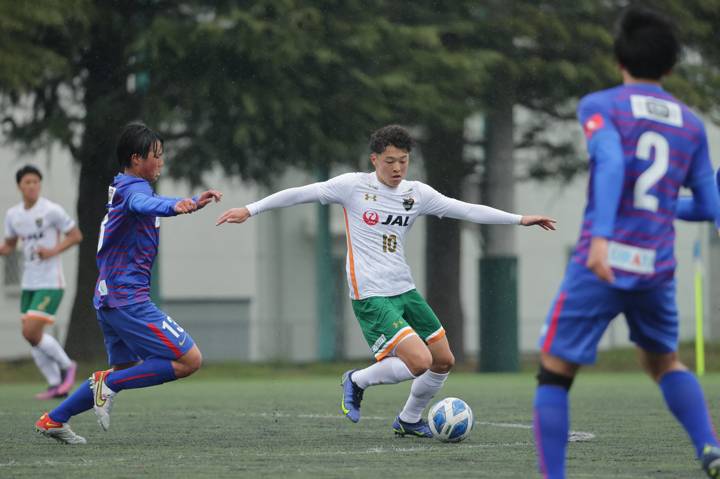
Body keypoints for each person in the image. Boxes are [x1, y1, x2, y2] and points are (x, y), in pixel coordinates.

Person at [217, 124, 556, 437]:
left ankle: (409, 420)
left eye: (403, 161)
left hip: (403, 289)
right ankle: (357, 379)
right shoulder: (352, 186)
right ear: (374, 159)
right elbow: (299, 193)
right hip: (370, 293)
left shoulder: (416, 193)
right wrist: (251, 209)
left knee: (443, 360)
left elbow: (465, 209)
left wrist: (520, 219)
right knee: (419, 361)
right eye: (390, 161)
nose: (397, 168)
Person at [533, 7, 720, 478]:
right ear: (672, 66)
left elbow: (613, 165)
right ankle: (710, 447)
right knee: (664, 361)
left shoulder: (602, 105)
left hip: (602, 261)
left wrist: (601, 240)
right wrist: (662, 208)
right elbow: (707, 203)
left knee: (554, 371)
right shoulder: (691, 125)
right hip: (656, 267)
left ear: (619, 59)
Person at [34, 122, 222, 444]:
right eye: (156, 155)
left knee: (123, 370)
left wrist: (187, 200)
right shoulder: (135, 191)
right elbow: (143, 204)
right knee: (190, 360)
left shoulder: (124, 186)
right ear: (137, 159)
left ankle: (54, 418)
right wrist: (175, 207)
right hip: (127, 300)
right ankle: (108, 385)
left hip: (109, 299)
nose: (161, 162)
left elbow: (144, 202)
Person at [0, 165, 82, 399]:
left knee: (31, 331)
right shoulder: (13, 215)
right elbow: (9, 245)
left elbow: (76, 235)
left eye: (36, 181)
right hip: (29, 282)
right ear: (19, 186)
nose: (32, 186)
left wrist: (53, 250)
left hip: (51, 282)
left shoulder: (51, 211)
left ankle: (67, 366)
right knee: (30, 336)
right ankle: (55, 384)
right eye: (28, 182)